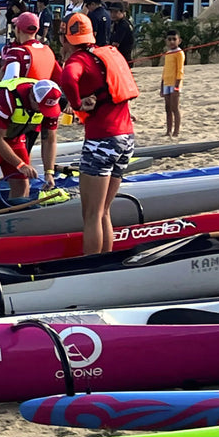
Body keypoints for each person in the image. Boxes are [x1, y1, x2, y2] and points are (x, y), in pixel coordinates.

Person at [57, 13, 138, 256]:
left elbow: (68, 78)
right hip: (126, 137)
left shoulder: (78, 60)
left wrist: (77, 104)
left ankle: (91, 265)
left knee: (91, 214)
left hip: (102, 140)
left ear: (66, 39)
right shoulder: (108, 54)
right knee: (104, 211)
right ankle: (106, 261)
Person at [0, 77, 63, 206]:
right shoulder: (7, 98)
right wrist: (20, 165)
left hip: (15, 137)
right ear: (32, 97)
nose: (43, 111)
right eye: (41, 107)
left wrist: (48, 172)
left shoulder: (51, 106)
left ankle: (17, 214)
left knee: (22, 183)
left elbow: (49, 140)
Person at [161, 28, 184, 137]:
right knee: (167, 108)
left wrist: (177, 86)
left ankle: (176, 131)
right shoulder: (168, 53)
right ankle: (168, 130)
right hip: (166, 83)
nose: (171, 42)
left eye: (174, 39)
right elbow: (165, 70)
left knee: (175, 108)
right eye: (169, 39)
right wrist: (161, 86)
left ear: (179, 41)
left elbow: (180, 71)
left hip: (175, 84)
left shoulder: (179, 53)